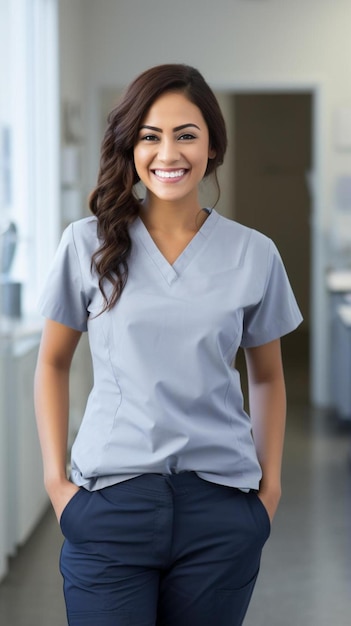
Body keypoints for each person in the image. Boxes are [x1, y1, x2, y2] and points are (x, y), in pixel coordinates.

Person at [34, 63, 302, 626]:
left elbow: (268, 376)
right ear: (131, 145)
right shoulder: (87, 244)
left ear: (212, 146)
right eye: (150, 136)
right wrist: (57, 487)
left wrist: (269, 490)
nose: (168, 153)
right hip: (110, 505)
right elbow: (53, 363)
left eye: (186, 135)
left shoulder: (254, 254)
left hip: (220, 508)